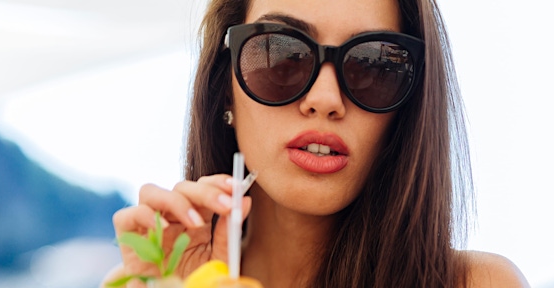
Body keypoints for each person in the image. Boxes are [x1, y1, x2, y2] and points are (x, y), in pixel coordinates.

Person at [104, 0, 528, 287]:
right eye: (280, 53)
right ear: (223, 86)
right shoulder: (158, 278)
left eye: (376, 64)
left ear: (411, 106)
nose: (324, 100)